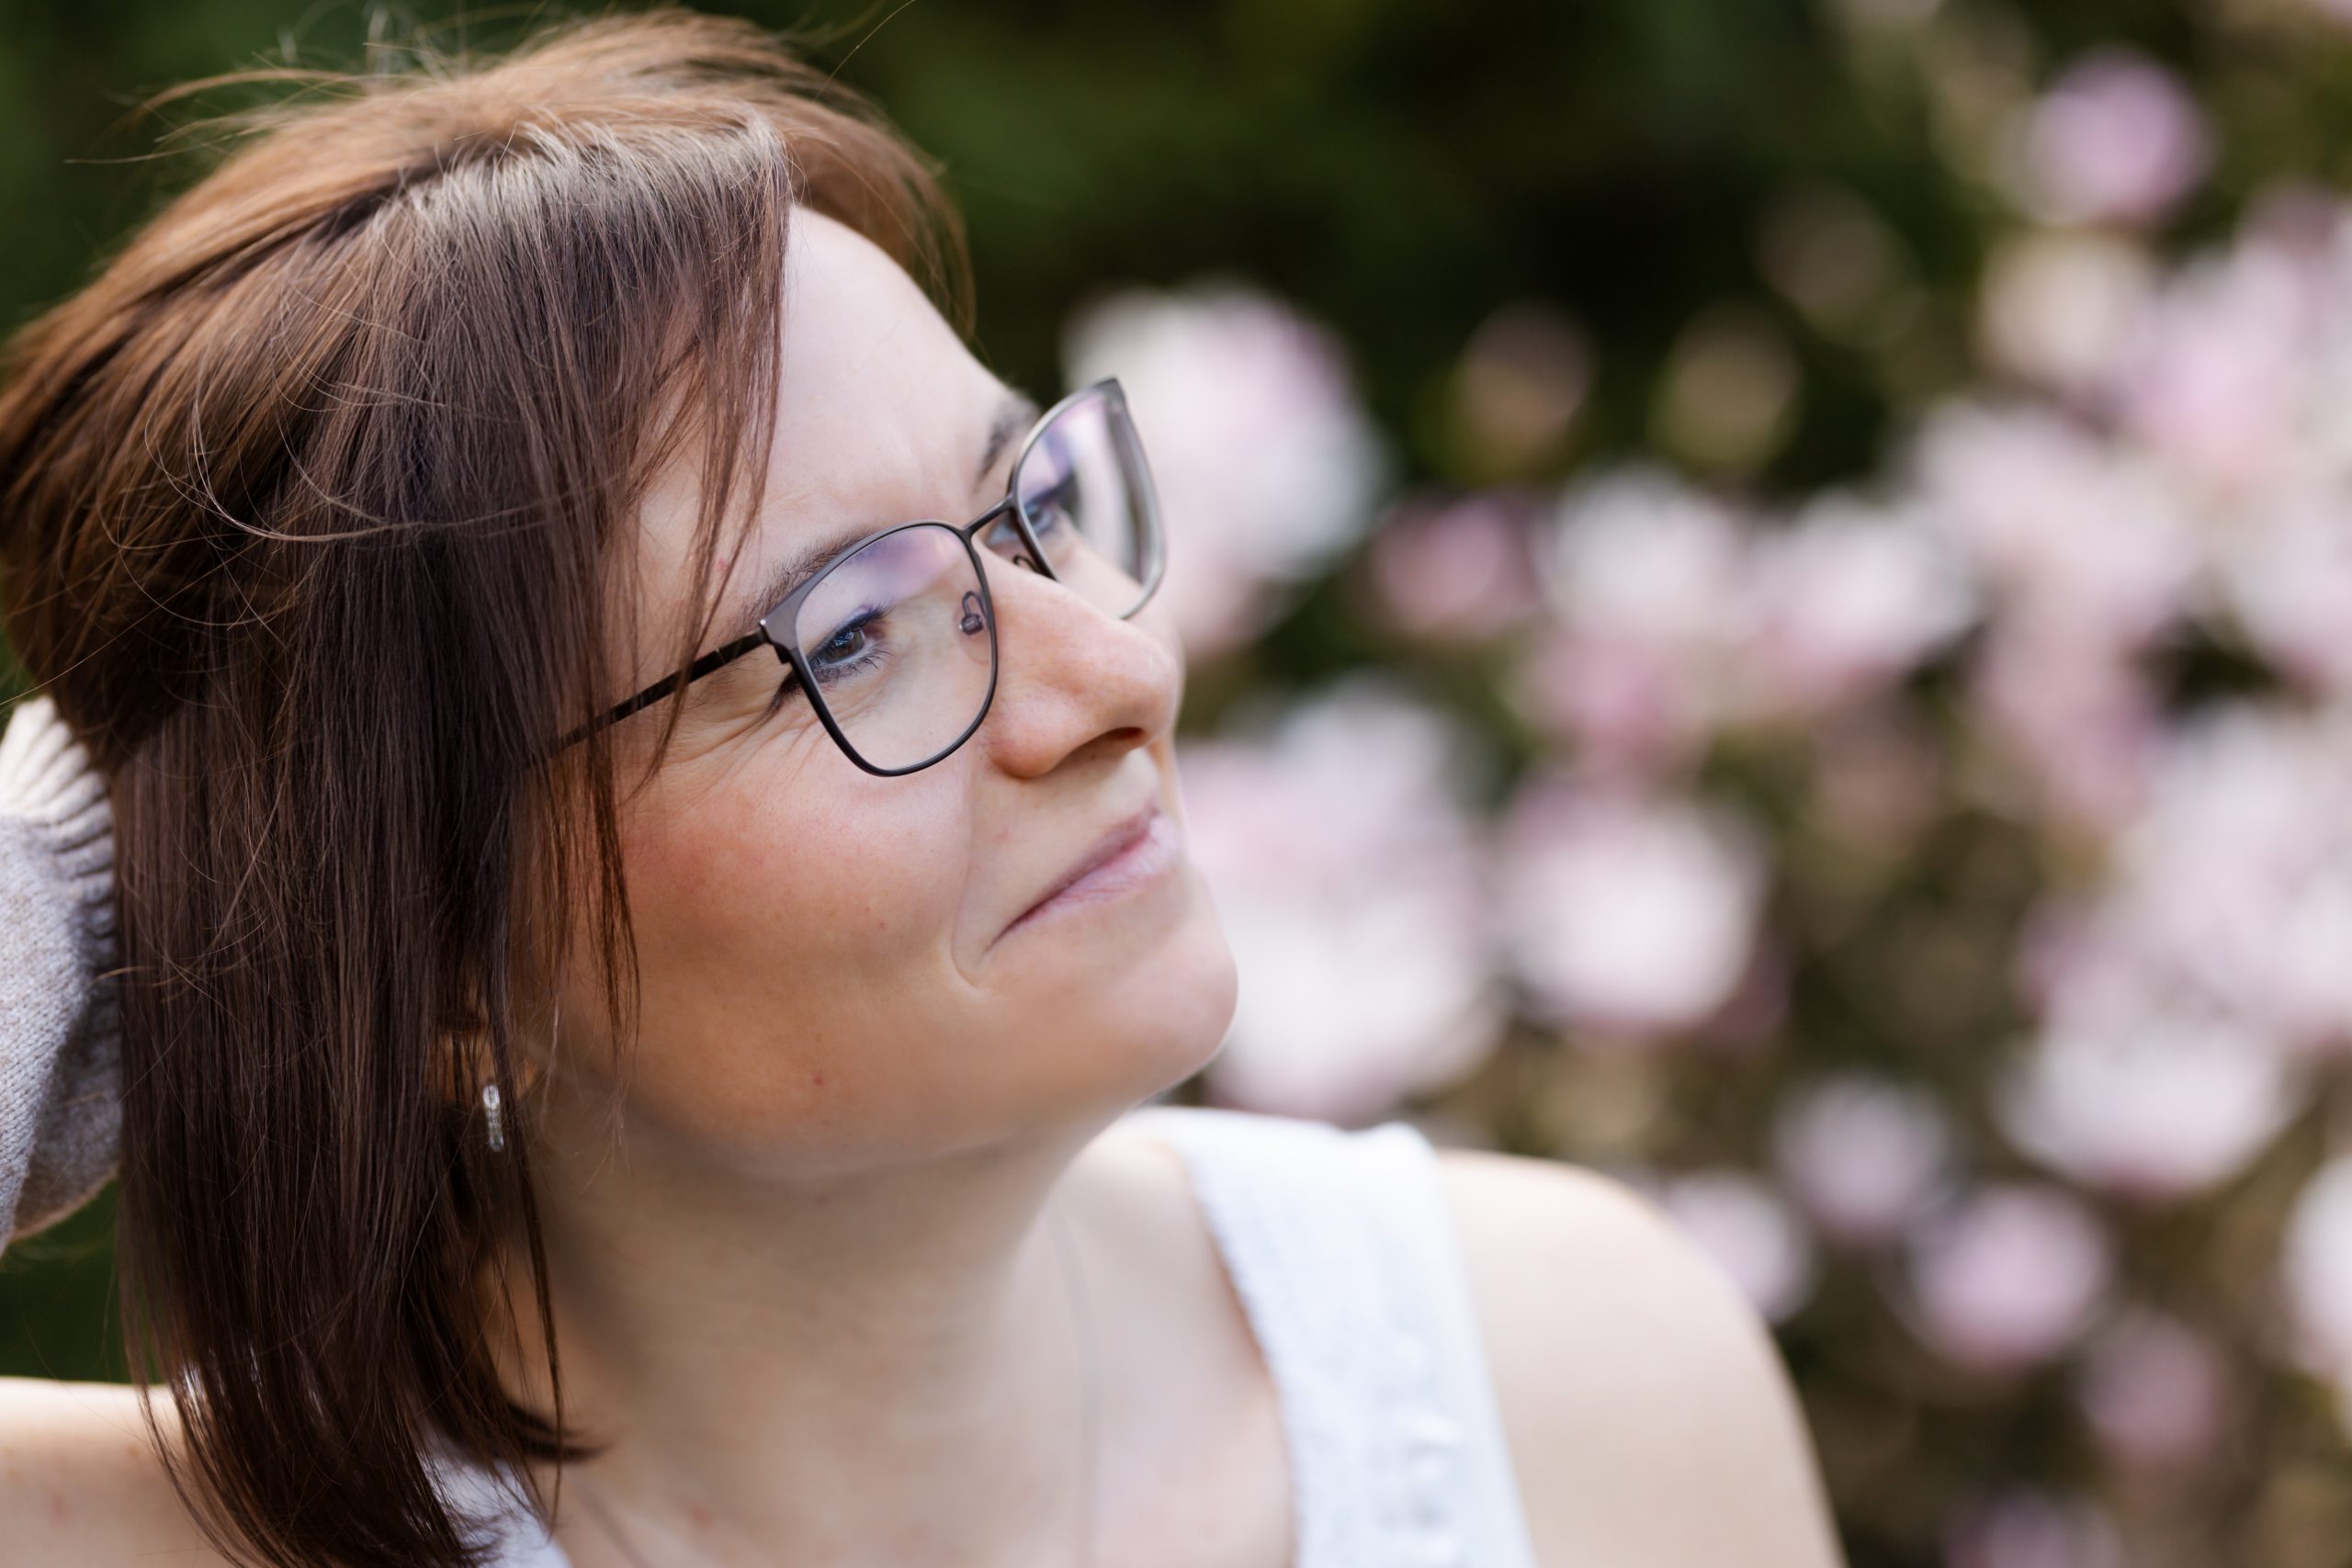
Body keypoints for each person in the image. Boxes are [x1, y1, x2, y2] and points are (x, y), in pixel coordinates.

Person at [0, 10, 1849, 1567]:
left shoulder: (1566, 1388)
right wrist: (65, 884)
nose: (1116, 679)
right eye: (856, 633)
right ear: (431, 964)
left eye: (1030, 511)